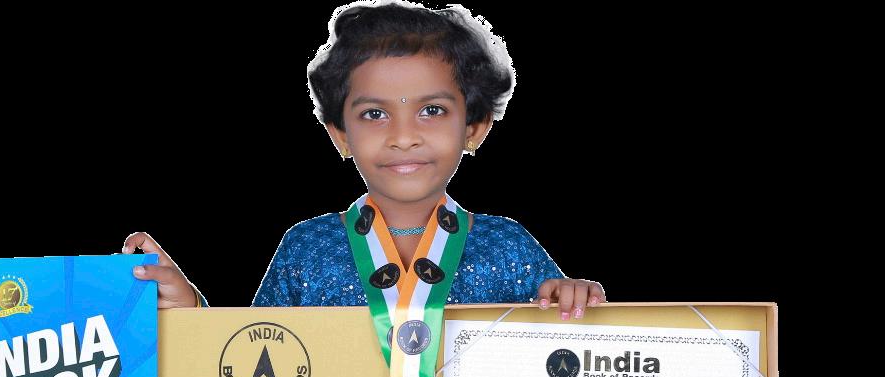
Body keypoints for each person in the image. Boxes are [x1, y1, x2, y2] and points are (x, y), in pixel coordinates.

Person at [123, 1, 605, 318]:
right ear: (340, 135)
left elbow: (560, 361)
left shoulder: (507, 245)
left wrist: (576, 302)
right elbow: (255, 359)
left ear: (474, 128)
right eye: (374, 114)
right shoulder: (306, 248)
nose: (403, 137)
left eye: (432, 111)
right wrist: (188, 311)